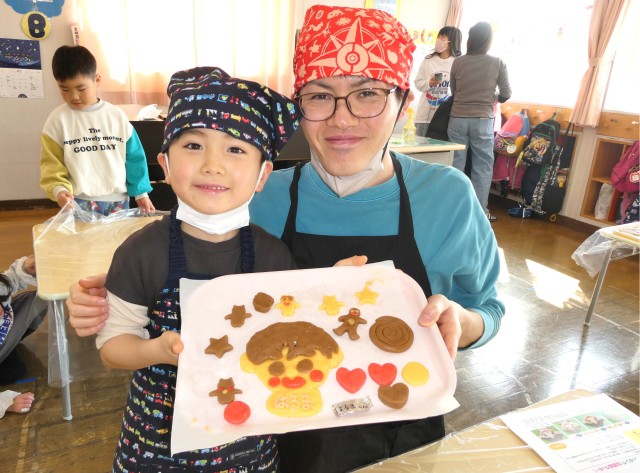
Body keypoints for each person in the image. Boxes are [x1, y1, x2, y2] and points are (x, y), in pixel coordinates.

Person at [67, 6, 505, 472]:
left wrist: (461, 322)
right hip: (274, 437)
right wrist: (109, 297)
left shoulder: (448, 197)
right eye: (320, 96)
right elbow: (194, 270)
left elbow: (488, 309)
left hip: (401, 437)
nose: (341, 119)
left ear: (403, 102)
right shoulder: (254, 196)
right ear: (299, 106)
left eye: (367, 93)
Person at [95, 66, 299, 471]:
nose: (212, 165)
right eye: (193, 145)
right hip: (156, 440)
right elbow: (112, 348)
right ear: (165, 165)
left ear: (263, 174)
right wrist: (156, 350)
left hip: (247, 435)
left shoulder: (273, 257)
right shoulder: (140, 253)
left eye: (235, 149)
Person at [40, 45, 155, 216]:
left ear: (97, 80)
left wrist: (141, 193)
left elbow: (134, 158)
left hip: (118, 200)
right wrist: (58, 189)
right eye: (64, 89)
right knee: (84, 235)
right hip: (78, 201)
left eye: (81, 89)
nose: (74, 96)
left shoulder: (116, 116)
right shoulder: (57, 120)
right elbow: (51, 163)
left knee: (118, 235)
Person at [447, 21, 512, 222]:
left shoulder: (458, 62)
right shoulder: (497, 62)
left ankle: (452, 209)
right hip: (483, 119)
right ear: (488, 40)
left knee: (455, 165)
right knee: (482, 167)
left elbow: (454, 90)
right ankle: (479, 212)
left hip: (457, 118)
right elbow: (507, 93)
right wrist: (493, 98)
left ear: (470, 38)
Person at [1, 255, 46, 419]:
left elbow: (10, 280)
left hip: (4, 332)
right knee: (16, 370)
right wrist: (5, 403)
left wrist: (26, 269)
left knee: (36, 301)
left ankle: (8, 344)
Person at [414, 26, 462, 137]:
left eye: (443, 38)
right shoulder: (428, 59)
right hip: (424, 116)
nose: (439, 40)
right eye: (438, 37)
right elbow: (417, 83)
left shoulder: (458, 62)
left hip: (445, 116)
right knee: (419, 145)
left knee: (439, 147)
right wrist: (429, 83)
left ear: (452, 42)